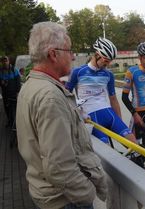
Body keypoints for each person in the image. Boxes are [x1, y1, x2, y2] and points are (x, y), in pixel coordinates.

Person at [16, 21, 107, 209]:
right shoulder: (50, 97)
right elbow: (59, 167)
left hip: (46, 193)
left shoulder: (31, 86)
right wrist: (87, 193)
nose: (73, 57)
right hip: (66, 200)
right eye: (69, 51)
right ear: (53, 54)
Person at [66, 37, 136, 145]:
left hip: (109, 114)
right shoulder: (78, 72)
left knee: (133, 143)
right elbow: (66, 96)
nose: (107, 64)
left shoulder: (108, 75)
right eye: (106, 61)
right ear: (97, 55)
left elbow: (113, 99)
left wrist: (120, 121)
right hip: (90, 117)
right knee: (106, 152)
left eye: (110, 61)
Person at [0, 56, 21, 127]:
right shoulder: (0, 71)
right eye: (3, 61)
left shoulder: (14, 70)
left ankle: (17, 123)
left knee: (15, 109)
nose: (4, 62)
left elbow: (18, 82)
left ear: (9, 61)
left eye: (6, 61)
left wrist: (18, 93)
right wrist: (1, 82)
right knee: (7, 108)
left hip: (13, 93)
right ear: (1, 62)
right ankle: (10, 121)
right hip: (5, 94)